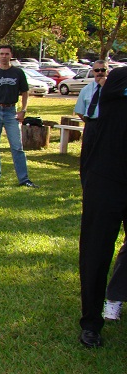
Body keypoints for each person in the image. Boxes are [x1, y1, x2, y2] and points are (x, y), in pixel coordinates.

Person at [78, 65, 127, 348]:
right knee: (96, 252)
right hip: (106, 176)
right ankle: (91, 323)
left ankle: (117, 298)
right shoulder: (119, 78)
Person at [0, 45, 38, 188]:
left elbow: (25, 92)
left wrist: (23, 110)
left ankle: (24, 179)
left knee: (17, 147)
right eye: (2, 54)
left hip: (11, 111)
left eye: (7, 54)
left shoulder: (17, 72)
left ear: (11, 55)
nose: (4, 56)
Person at [74, 59, 108, 179]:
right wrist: (91, 122)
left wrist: (105, 88)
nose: (100, 73)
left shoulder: (112, 89)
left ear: (107, 71)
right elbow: (80, 111)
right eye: (97, 70)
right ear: (93, 72)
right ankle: (87, 181)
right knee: (88, 155)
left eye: (103, 70)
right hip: (91, 125)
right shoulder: (86, 90)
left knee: (105, 156)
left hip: (107, 126)